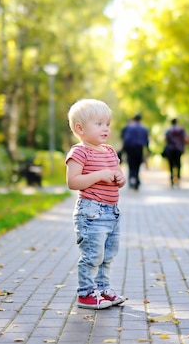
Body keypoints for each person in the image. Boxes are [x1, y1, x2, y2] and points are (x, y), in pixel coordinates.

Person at [65, 99, 127, 310]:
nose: (105, 128)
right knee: (93, 254)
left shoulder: (109, 151)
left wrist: (120, 179)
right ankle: (85, 293)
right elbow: (73, 182)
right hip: (91, 212)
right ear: (80, 129)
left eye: (107, 124)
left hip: (112, 212)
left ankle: (102, 289)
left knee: (108, 255)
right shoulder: (79, 152)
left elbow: (120, 175)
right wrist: (99, 175)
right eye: (99, 124)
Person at [121, 113, 149, 190]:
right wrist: (147, 150)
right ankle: (136, 179)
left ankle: (131, 180)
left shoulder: (129, 128)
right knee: (137, 165)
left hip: (130, 149)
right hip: (139, 149)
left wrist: (124, 149)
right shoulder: (144, 129)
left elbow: (126, 139)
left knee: (131, 165)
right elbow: (146, 141)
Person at [163, 118, 189, 188]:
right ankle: (178, 178)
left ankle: (172, 178)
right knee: (178, 164)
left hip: (170, 149)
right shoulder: (181, 130)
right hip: (179, 149)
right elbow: (186, 139)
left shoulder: (169, 130)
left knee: (171, 164)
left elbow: (165, 139)